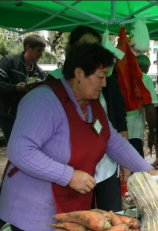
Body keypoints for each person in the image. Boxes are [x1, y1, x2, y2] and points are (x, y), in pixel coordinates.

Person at [0, 43, 158, 231]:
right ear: (78, 73)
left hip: (69, 208)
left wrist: (148, 171)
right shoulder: (42, 101)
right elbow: (20, 151)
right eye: (99, 77)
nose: (104, 84)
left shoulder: (91, 103)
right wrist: (68, 175)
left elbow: (111, 140)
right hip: (33, 210)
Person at [48, 25, 129, 212]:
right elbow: (23, 150)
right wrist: (66, 174)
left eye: (95, 46)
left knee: (111, 213)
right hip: (72, 169)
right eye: (85, 45)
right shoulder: (52, 86)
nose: (91, 52)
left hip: (106, 164)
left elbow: (115, 128)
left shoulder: (104, 82)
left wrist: (129, 163)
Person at [0, 34, 46, 143]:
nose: (41, 54)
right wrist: (15, 88)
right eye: (39, 50)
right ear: (28, 48)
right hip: (9, 115)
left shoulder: (39, 72)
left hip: (28, 116)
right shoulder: (9, 62)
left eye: (43, 51)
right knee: (13, 146)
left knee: (25, 147)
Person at [126, 54, 158, 158]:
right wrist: (152, 131)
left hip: (118, 131)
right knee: (135, 168)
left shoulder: (123, 77)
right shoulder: (145, 79)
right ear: (147, 68)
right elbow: (150, 110)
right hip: (134, 131)